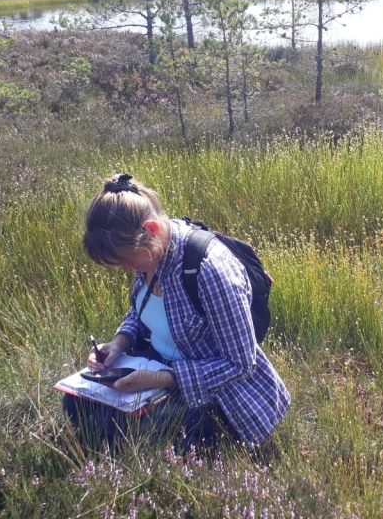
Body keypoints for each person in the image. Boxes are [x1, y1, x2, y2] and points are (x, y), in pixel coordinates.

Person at [63, 173, 290, 452]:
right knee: (76, 403)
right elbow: (142, 310)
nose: (125, 269)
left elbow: (241, 363)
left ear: (152, 229)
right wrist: (119, 343)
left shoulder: (209, 269)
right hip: (158, 365)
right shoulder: (147, 253)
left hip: (218, 390)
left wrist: (163, 379)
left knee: (129, 436)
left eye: (127, 260)